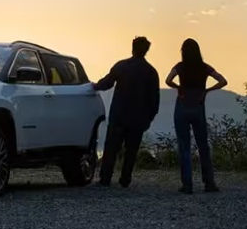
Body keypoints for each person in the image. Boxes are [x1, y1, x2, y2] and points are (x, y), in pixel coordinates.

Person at [92, 36, 160, 188]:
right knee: (132, 151)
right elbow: (154, 99)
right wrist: (149, 118)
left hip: (119, 115)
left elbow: (107, 83)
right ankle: (125, 179)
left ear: (132, 47)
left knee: (111, 148)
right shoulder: (151, 72)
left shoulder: (122, 66)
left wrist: (95, 86)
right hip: (138, 118)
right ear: (147, 50)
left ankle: (105, 179)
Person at [165, 38, 227, 194]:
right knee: (203, 146)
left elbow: (168, 80)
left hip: (182, 105)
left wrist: (178, 87)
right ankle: (209, 183)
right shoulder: (204, 67)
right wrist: (206, 91)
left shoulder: (180, 67)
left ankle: (187, 185)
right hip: (198, 107)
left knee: (184, 146)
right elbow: (222, 81)